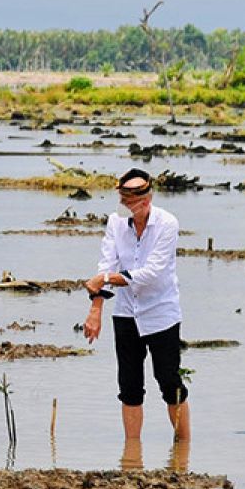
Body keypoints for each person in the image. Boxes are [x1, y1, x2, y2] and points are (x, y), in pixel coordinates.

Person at [83, 169, 190, 444]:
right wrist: (95, 311)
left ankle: (183, 451)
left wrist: (106, 279)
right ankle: (132, 455)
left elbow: (151, 272)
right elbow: (106, 264)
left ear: (146, 199)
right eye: (123, 200)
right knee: (129, 387)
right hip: (126, 313)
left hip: (161, 312)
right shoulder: (116, 223)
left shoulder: (167, 224)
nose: (127, 207)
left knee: (169, 382)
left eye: (132, 201)